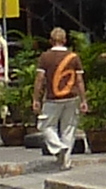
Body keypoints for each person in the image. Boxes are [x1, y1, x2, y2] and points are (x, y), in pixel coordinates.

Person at [35, 33, 85, 169]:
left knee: (45, 126)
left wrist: (36, 99)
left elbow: (40, 79)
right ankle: (65, 162)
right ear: (65, 40)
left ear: (51, 41)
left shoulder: (45, 57)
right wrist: (83, 99)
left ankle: (58, 148)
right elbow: (79, 80)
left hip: (52, 99)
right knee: (68, 130)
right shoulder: (73, 57)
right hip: (72, 97)